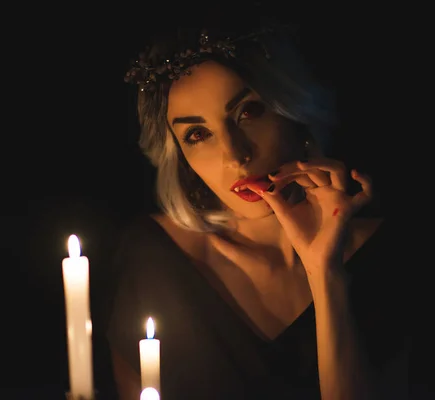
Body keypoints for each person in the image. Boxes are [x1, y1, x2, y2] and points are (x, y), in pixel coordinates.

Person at [105, 23, 408, 400]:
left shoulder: (398, 256)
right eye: (197, 135)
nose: (235, 155)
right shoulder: (153, 257)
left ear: (295, 116)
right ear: (182, 160)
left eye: (248, 112)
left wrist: (325, 275)